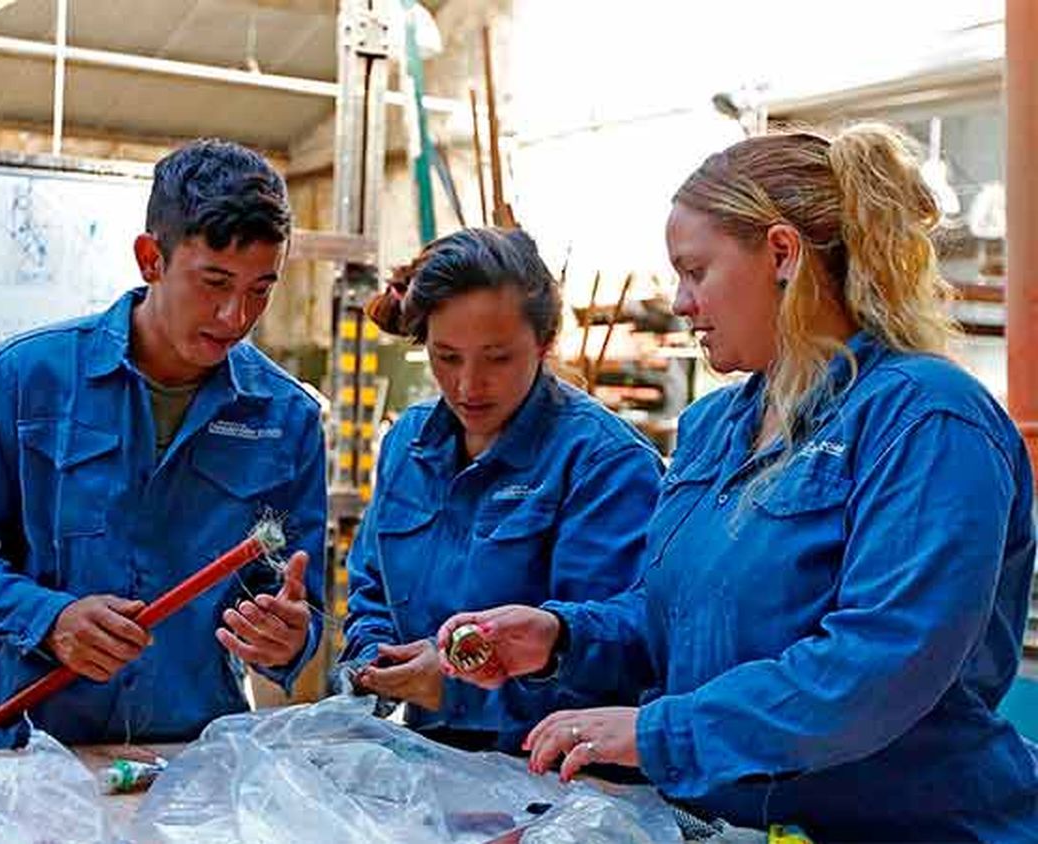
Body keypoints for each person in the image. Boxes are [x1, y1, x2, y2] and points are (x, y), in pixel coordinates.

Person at [438, 125, 1038, 841]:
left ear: (782, 255)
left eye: (696, 271)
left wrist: (663, 734)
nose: (682, 301)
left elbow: (882, 662)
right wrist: (561, 637)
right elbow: (679, 623)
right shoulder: (715, 426)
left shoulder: (925, 418)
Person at [0, 139, 326, 749]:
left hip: (189, 758)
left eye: (260, 290)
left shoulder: (287, 418)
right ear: (150, 258)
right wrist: (47, 619)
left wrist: (289, 638)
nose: (235, 315)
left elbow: (296, 602)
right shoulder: (30, 378)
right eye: (214, 282)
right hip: (32, 749)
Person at [338, 227, 662, 753]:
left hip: (551, 776)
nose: (469, 385)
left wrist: (456, 688)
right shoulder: (407, 443)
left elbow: (619, 652)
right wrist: (375, 658)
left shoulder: (604, 463)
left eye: (497, 358)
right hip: (423, 759)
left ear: (544, 343)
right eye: (447, 357)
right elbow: (370, 587)